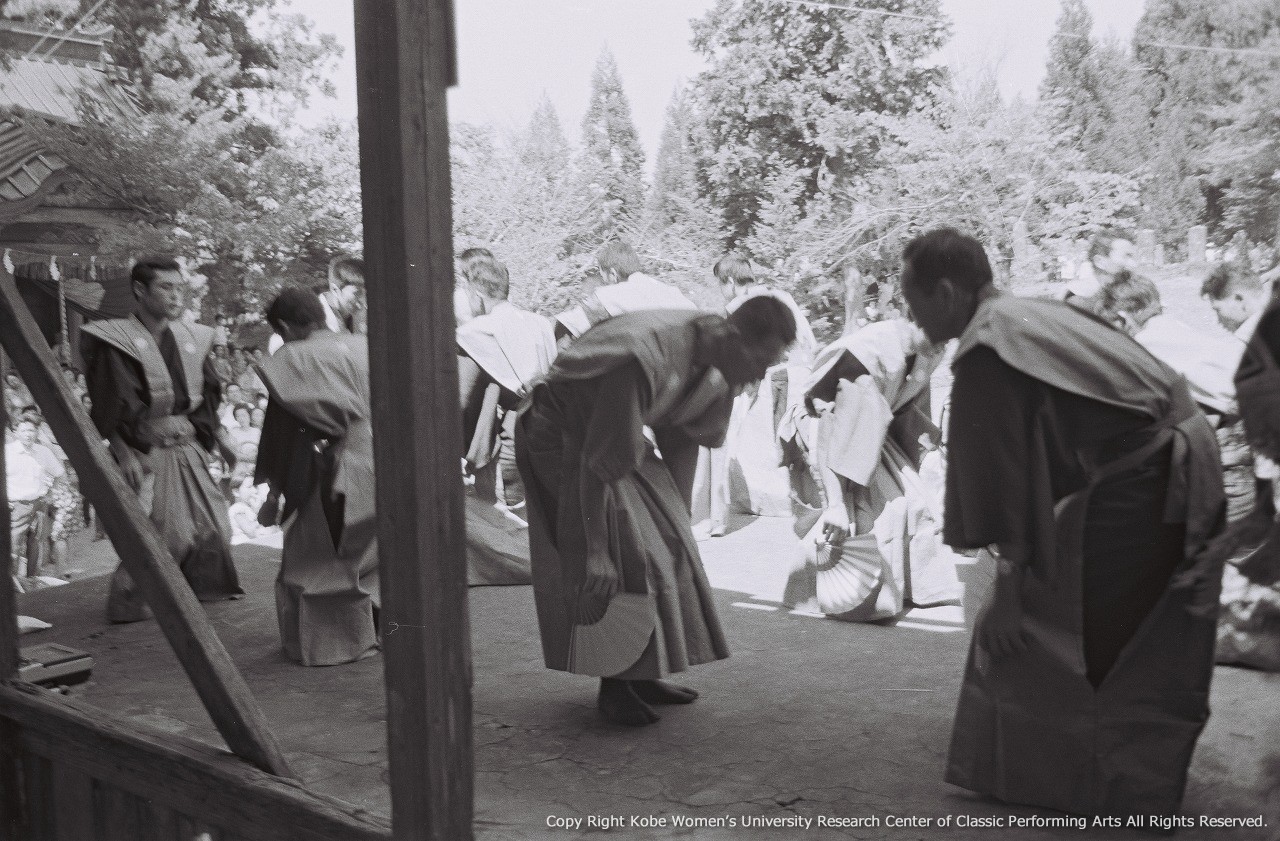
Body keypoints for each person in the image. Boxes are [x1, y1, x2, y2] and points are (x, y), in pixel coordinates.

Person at [900, 228, 1226, 818]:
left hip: (1150, 472)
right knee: (1134, 622)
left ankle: (1114, 789)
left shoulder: (987, 347)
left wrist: (1007, 595)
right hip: (1171, 451)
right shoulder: (1028, 311)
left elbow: (1006, 486)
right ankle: (1116, 779)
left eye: (912, 300)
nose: (911, 315)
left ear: (945, 292)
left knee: (1085, 630)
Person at [516, 297, 796, 726]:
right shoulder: (642, 355)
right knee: (626, 550)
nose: (760, 375)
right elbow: (596, 462)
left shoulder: (724, 365)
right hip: (561, 435)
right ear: (731, 336)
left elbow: (683, 437)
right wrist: (595, 549)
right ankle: (615, 685)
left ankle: (644, 674)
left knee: (669, 545)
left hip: (614, 437)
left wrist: (676, 522)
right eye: (760, 361)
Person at [81, 257, 242, 622]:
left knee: (215, 527)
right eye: (166, 287)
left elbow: (208, 396)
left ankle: (194, 596)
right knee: (167, 534)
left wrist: (218, 438)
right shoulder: (115, 340)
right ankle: (132, 603)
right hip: (146, 447)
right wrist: (122, 451)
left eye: (179, 288)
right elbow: (108, 401)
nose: (175, 296)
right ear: (140, 290)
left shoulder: (192, 337)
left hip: (189, 444)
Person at [782, 318, 962, 620]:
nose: (944, 346)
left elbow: (905, 407)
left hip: (873, 427)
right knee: (877, 513)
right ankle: (840, 594)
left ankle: (912, 589)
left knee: (919, 501)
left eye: (948, 341)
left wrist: (929, 451)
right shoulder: (871, 358)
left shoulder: (929, 351)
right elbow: (833, 431)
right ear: (916, 319)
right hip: (826, 428)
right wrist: (835, 504)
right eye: (940, 337)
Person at [254, 287, 379, 666]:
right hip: (390, 459)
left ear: (285, 327)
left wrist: (274, 494)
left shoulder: (293, 358)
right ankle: (381, 632)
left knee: (317, 559)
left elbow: (282, 434)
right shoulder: (366, 344)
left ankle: (334, 645)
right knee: (377, 553)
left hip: (343, 465)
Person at [554, 241, 697, 341]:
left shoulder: (608, 295)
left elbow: (565, 325)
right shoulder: (673, 293)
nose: (604, 285)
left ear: (613, 274)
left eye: (604, 279)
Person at [7, 419, 62, 580]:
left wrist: (50, 494)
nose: (28, 434)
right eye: (24, 431)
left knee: (35, 543)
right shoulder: (7, 452)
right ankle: (12, 584)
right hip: (16, 507)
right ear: (16, 433)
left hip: (39, 505)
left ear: (37, 432)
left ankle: (31, 580)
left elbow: (59, 474)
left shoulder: (43, 452)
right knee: (13, 546)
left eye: (31, 430)